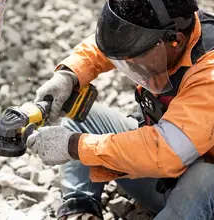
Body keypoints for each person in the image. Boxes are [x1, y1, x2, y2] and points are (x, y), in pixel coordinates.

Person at [26, 0, 214, 219]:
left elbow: (166, 153)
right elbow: (113, 43)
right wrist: (69, 75)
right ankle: (81, 209)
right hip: (167, 177)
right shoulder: (167, 28)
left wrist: (74, 146)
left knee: (203, 176)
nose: (129, 64)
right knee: (81, 118)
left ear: (175, 42)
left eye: (135, 58)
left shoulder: (209, 74)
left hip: (200, 191)